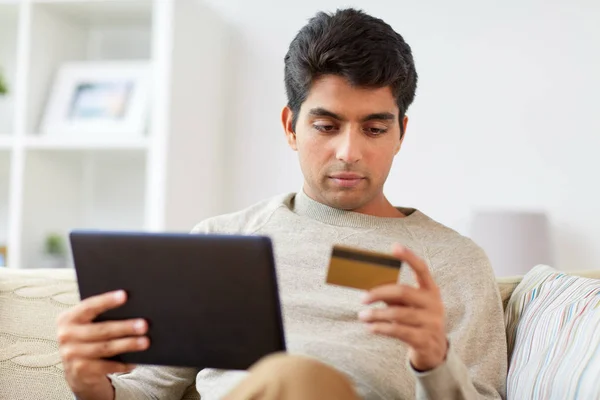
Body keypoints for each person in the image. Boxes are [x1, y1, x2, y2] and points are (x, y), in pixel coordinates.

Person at [57, 8, 507, 400]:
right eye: (327, 126)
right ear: (291, 127)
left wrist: (434, 360)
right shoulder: (222, 242)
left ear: (400, 134)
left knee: (297, 377)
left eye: (373, 129)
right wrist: (90, 386)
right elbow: (151, 391)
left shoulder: (453, 263)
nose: (349, 151)